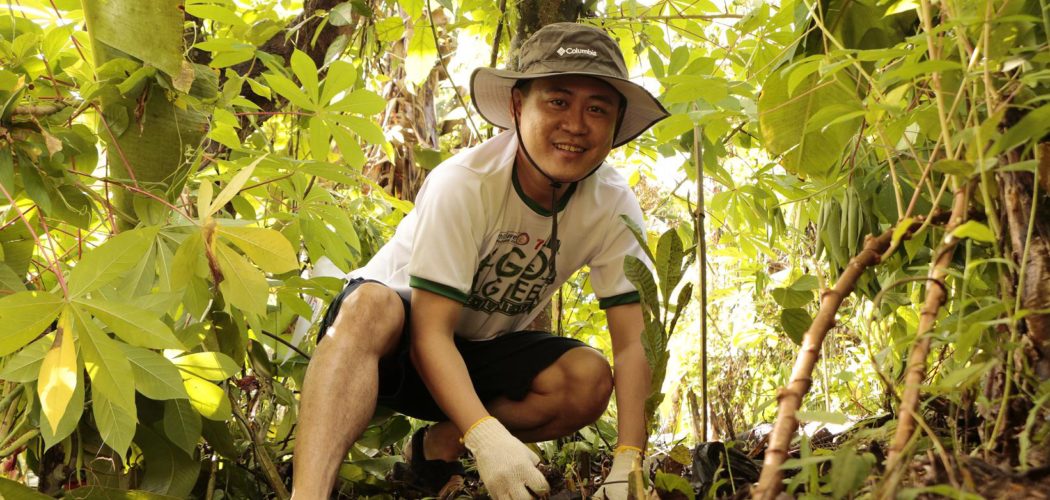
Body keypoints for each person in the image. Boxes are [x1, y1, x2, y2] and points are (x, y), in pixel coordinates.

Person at [290, 22, 669, 500]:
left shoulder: (612, 203)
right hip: (393, 343)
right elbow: (429, 334)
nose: (576, 124)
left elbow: (633, 342)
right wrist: (487, 438)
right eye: (557, 101)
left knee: (586, 379)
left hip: (480, 352)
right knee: (369, 306)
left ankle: (439, 443)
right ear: (516, 106)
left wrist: (629, 458)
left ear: (615, 125)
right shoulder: (465, 182)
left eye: (597, 109)